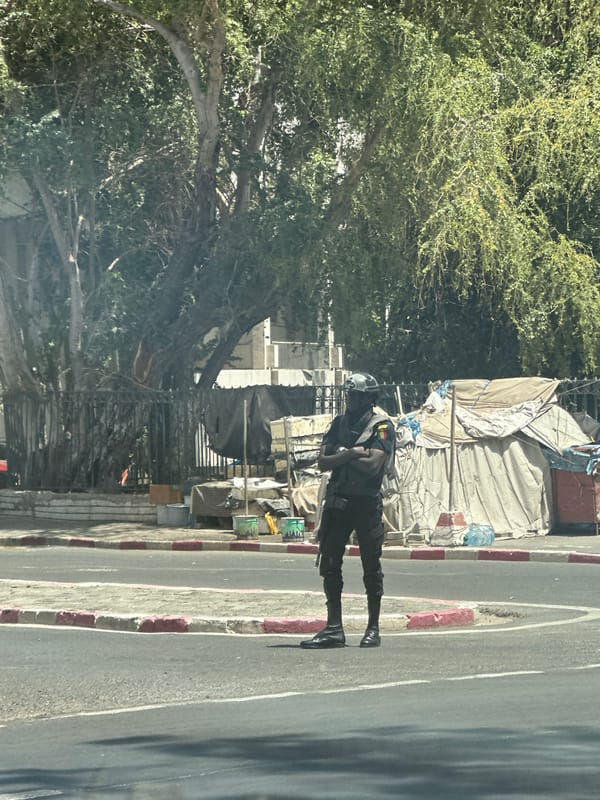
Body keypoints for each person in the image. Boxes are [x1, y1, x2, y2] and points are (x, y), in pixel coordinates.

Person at [300, 372, 396, 649]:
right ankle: (333, 628)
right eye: (349, 395)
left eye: (357, 395)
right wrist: (353, 453)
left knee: (370, 566)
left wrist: (341, 456)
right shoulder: (338, 424)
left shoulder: (382, 427)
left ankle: (373, 628)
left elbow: (374, 466)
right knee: (330, 564)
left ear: (370, 398)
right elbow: (322, 463)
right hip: (338, 502)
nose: (352, 400)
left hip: (366, 503)